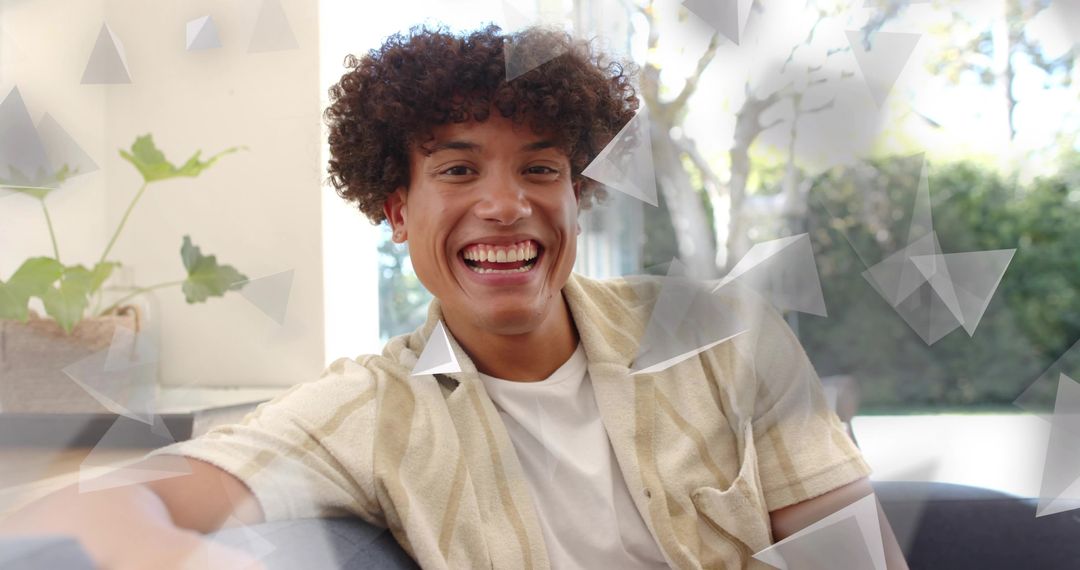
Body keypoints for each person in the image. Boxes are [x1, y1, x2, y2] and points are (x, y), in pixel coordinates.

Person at [0, 25, 907, 569]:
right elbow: (80, 505)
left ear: (577, 194)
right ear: (397, 207)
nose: (505, 203)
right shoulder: (366, 410)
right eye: (458, 169)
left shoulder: (723, 337)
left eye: (541, 169)